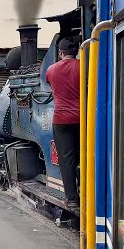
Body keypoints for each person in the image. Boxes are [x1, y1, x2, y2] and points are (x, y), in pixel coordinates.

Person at [45, 38, 80, 208]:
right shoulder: (84, 66)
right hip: (83, 119)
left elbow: (48, 85)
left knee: (66, 160)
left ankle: (72, 198)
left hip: (61, 120)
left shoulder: (51, 70)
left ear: (60, 53)